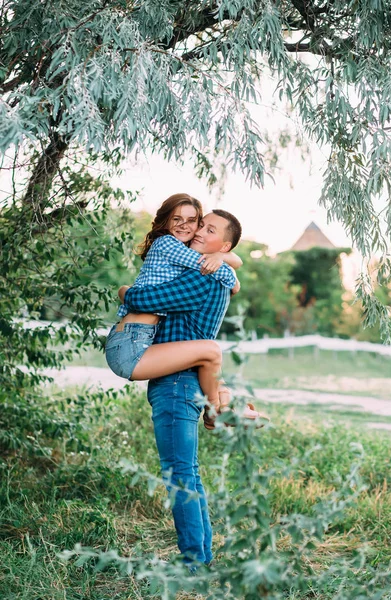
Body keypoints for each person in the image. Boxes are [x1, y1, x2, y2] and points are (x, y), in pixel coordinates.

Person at [121, 208, 252, 567]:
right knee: (187, 471)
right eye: (200, 224)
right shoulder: (210, 271)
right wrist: (223, 258)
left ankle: (193, 561)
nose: (198, 231)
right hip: (181, 379)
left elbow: (142, 299)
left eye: (209, 229)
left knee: (179, 474)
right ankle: (202, 556)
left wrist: (125, 292)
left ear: (222, 244)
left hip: (178, 383)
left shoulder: (203, 280)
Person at [105, 193, 263, 428]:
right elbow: (227, 277)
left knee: (215, 376)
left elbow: (229, 267)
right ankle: (214, 411)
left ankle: (226, 407)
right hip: (130, 345)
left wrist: (222, 255)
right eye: (176, 219)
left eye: (192, 221)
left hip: (141, 340)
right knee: (211, 351)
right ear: (166, 221)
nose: (185, 226)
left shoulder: (183, 252)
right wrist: (224, 259)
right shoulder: (167, 244)